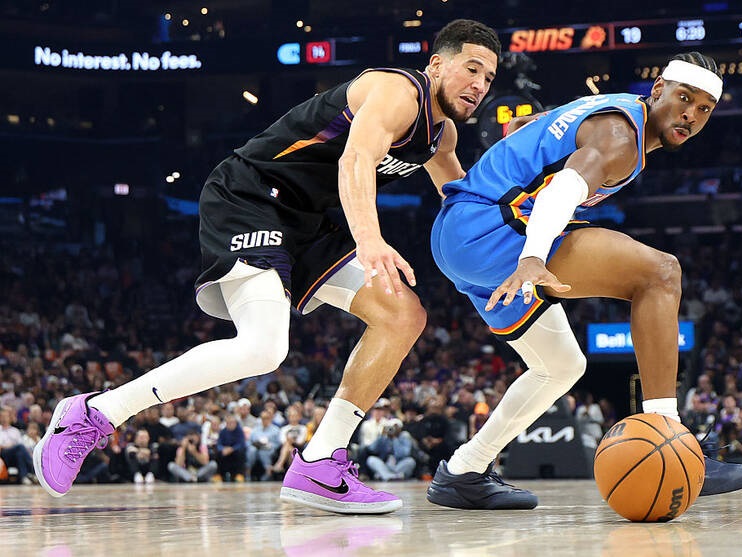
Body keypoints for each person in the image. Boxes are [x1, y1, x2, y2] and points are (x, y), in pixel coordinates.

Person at [33, 19, 500, 514]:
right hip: (253, 197)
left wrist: (523, 250)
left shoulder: (441, 136)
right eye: (471, 69)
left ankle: (320, 461)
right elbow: (356, 161)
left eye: (489, 78)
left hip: (312, 221)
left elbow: (466, 208)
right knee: (263, 348)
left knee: (402, 315)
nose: (479, 85)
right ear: (436, 64)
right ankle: (94, 413)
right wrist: (370, 239)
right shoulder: (397, 91)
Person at [427, 52, 742, 509]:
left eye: (704, 109)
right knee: (660, 274)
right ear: (658, 89)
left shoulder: (612, 107)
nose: (691, 115)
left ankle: (464, 470)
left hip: (459, 234)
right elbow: (563, 189)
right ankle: (673, 435)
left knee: (561, 366)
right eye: (684, 98)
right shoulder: (622, 137)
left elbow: (529, 126)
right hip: (492, 230)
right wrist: (532, 257)